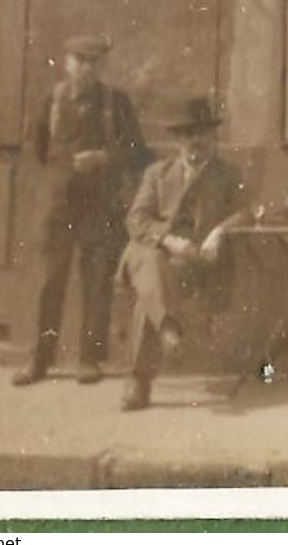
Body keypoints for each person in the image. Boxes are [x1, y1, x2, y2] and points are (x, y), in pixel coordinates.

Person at [13, 33, 149, 388]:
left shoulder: (116, 103)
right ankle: (39, 360)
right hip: (58, 206)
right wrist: (59, 180)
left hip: (100, 206)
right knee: (49, 282)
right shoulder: (51, 101)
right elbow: (38, 150)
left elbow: (139, 153)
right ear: (66, 62)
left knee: (97, 282)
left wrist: (104, 158)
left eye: (94, 62)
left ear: (102, 66)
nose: (86, 69)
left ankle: (90, 360)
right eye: (80, 60)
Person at [115, 97, 245, 412]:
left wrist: (218, 232)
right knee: (150, 259)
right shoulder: (157, 174)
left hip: (193, 265)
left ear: (213, 138)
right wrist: (170, 241)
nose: (194, 141)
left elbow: (246, 212)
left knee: (150, 288)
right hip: (154, 251)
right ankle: (167, 327)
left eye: (201, 133)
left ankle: (141, 377)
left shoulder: (227, 175)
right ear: (177, 140)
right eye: (187, 135)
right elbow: (136, 219)